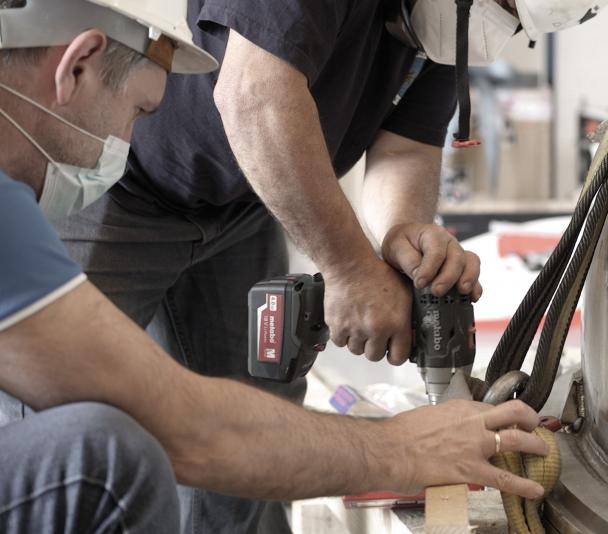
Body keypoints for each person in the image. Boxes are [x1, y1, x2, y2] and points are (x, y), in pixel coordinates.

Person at [53, 0, 608, 531]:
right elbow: (253, 94)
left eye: (519, 26)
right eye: (504, 8)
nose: (500, 31)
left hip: (243, 204)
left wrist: (401, 236)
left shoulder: (441, 28)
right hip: (118, 178)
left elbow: (407, 148)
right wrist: (349, 270)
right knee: (67, 425)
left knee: (255, 424)